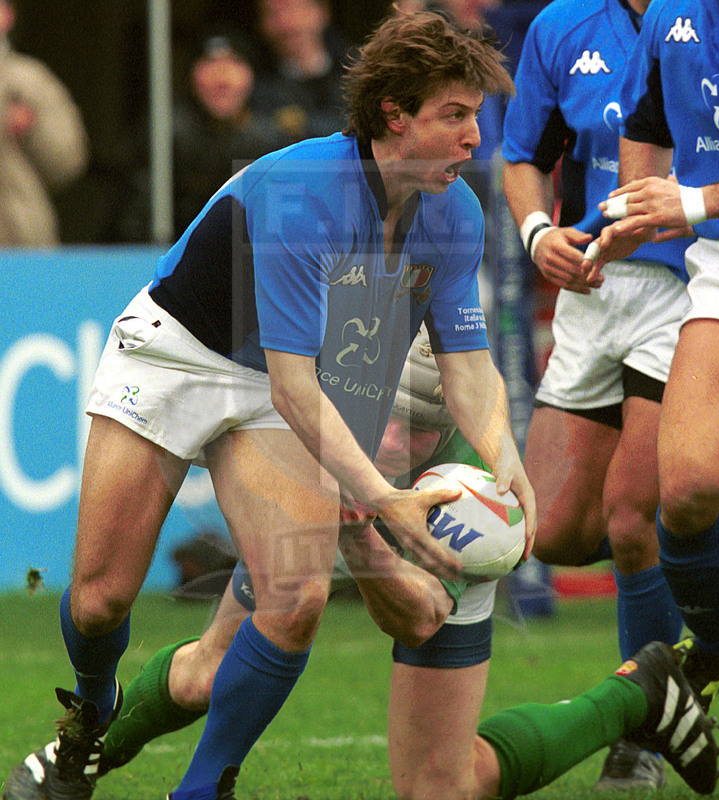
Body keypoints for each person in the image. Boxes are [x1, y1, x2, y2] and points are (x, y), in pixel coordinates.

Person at [3, 10, 534, 800]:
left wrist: (508, 459)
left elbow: (467, 364)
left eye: (476, 117)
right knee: (98, 600)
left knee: (296, 596)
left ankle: (204, 786)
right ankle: (90, 710)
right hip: (176, 352)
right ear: (395, 115)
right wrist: (385, 498)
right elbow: (296, 386)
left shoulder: (451, 211)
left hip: (274, 382)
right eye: (455, 115)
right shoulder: (300, 193)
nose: (472, 138)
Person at [55, 330, 719, 800]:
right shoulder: (315, 421)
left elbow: (420, 620)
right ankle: (75, 759)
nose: (399, 439)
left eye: (421, 429)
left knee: (441, 785)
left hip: (409, 554)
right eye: (387, 417)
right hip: (329, 487)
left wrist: (364, 539)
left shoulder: (480, 495)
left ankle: (637, 692)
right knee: (208, 670)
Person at [500, 0, 695, 789]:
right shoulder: (561, 25)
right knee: (553, 532)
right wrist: (539, 234)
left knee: (631, 517)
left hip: (693, 286)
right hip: (595, 285)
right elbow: (520, 156)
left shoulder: (709, 20)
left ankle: (645, 726)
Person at [581, 0, 719, 717]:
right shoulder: (674, 11)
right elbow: (647, 124)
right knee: (688, 488)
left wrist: (694, 201)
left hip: (711, 219)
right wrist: (628, 220)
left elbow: (690, 196)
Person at [116, 30, 289, 242]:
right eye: (209, 64)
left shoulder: (271, 140)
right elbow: (134, 222)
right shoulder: (166, 133)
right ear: (190, 75)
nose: (222, 78)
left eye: (234, 64)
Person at [0, 0, 88, 246]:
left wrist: (33, 128)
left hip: (22, 241)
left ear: (7, 15)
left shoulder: (30, 79)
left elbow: (69, 161)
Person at [250, 0, 349, 142]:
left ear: (322, 12)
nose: (286, 24)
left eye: (295, 9)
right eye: (273, 14)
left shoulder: (359, 70)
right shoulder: (257, 88)